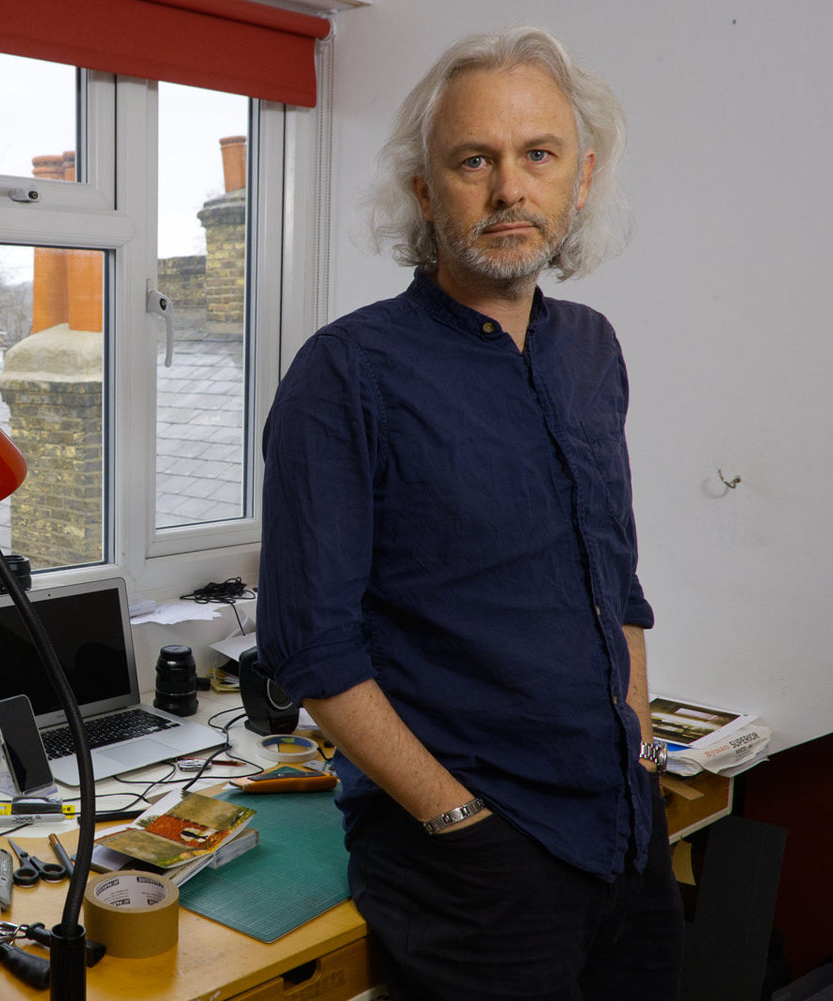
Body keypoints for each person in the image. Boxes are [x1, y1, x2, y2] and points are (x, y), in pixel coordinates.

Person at [258, 26, 682, 1001]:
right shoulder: (347, 373)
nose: (508, 190)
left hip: (623, 821)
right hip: (476, 866)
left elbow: (616, 584)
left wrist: (642, 741)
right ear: (425, 190)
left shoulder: (593, 350)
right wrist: (457, 822)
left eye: (539, 155)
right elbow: (311, 652)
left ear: (580, 181)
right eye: (473, 160)